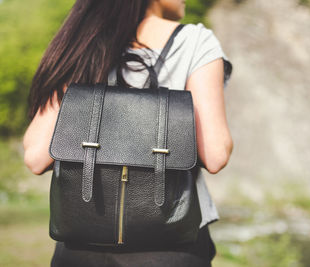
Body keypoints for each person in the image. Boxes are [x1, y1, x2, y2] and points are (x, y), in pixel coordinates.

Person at [23, 0, 233, 266]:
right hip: (170, 247)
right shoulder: (195, 41)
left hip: (81, 245)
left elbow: (35, 156)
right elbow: (215, 154)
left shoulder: (86, 40)